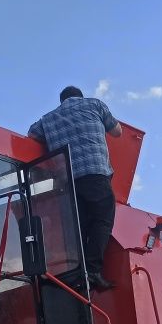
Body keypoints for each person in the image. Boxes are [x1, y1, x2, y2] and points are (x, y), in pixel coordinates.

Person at [28, 86, 122, 291]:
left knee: (79, 228)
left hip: (68, 182)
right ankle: (93, 271)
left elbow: (31, 135)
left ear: (62, 101)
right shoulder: (95, 104)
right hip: (95, 174)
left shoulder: (47, 119)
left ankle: (77, 272)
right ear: (80, 96)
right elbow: (117, 132)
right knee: (102, 220)